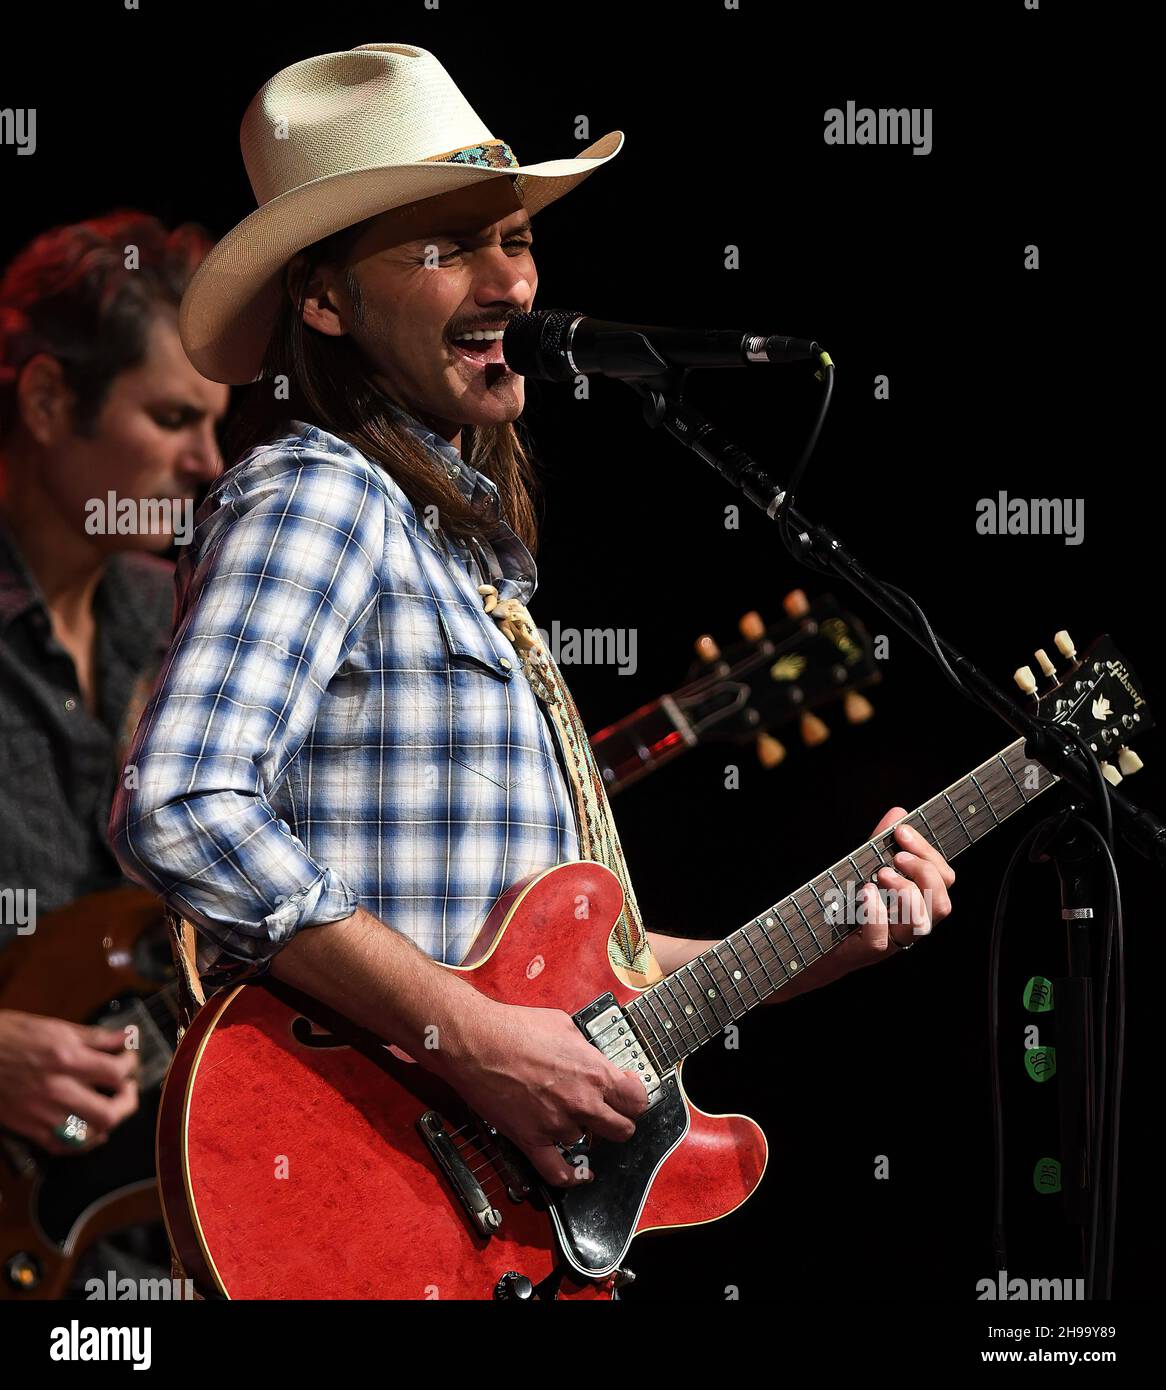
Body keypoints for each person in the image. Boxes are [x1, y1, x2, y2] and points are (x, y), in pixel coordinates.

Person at [109, 43, 955, 1199]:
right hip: (361, 1181)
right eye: (445, 247)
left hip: (477, 1221)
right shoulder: (321, 491)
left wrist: (830, 938)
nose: (509, 285)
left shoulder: (461, 561)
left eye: (511, 239)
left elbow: (584, 983)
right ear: (323, 298)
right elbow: (182, 803)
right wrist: (469, 1034)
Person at [0, 210, 227, 1289]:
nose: (208, 463)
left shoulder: (178, 624)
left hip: (113, 1236)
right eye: (174, 417)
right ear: (47, 400)